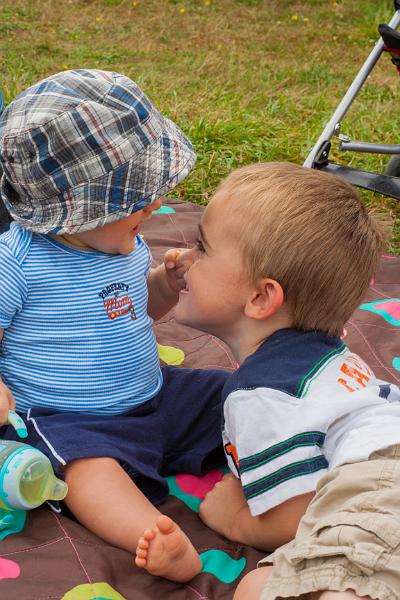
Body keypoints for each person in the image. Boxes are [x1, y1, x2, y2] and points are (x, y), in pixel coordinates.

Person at [0, 69, 230, 583]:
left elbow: (136, 309)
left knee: (234, 391)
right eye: (133, 199)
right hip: (74, 418)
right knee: (87, 474)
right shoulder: (15, 264)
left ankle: (297, 452)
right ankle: (153, 534)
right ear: (74, 212)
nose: (151, 207)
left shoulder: (124, 241)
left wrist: (164, 285)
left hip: (156, 393)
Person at [136, 161, 400, 599]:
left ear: (260, 297)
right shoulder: (321, 356)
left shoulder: (261, 392)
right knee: (259, 586)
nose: (184, 257)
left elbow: (299, 511)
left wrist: (233, 520)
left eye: (203, 247)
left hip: (376, 489)